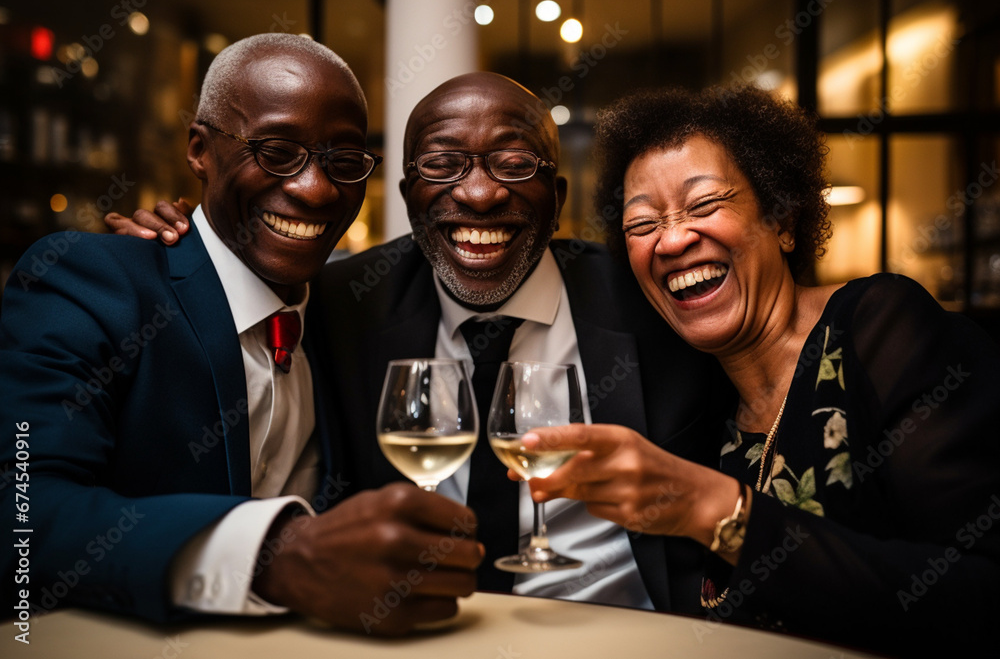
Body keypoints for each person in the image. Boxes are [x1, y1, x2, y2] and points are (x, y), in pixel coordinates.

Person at [109, 72, 733, 616]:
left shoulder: (651, 300)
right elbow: (232, 277)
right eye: (441, 165)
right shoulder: (342, 301)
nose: (480, 194)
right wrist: (177, 245)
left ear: (557, 201)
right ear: (408, 199)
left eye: (515, 164)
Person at [0, 33, 482, 637]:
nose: (316, 188)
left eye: (344, 159)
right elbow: (20, 513)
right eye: (277, 151)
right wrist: (275, 556)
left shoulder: (343, 307)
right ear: (199, 150)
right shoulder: (93, 282)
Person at [518, 84, 1000, 656]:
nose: (672, 239)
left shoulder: (881, 327)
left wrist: (715, 508)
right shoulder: (696, 398)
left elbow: (982, 593)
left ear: (783, 219)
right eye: (642, 225)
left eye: (703, 206)